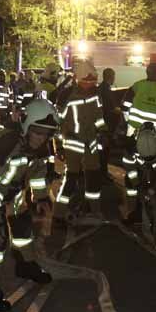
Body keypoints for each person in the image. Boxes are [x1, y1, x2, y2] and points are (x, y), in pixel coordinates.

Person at [0, 99, 60, 312]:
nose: (41, 138)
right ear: (26, 126)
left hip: (13, 191)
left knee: (23, 228)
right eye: (37, 132)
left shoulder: (41, 146)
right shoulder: (4, 145)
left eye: (46, 133)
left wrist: (41, 197)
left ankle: (26, 265)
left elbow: (37, 173)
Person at [53, 60, 106, 221]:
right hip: (73, 144)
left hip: (91, 143)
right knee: (71, 178)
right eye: (88, 81)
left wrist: (103, 132)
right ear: (79, 79)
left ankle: (93, 210)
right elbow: (57, 122)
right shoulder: (66, 96)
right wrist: (58, 146)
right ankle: (59, 213)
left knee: (93, 177)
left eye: (93, 81)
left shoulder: (95, 94)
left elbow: (98, 116)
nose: (92, 84)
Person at [120, 62, 156, 221]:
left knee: (132, 178)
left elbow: (124, 106)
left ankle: (133, 211)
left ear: (147, 72)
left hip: (135, 133)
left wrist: (129, 122)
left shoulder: (137, 86)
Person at [122, 122, 156, 220]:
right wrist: (137, 185)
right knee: (129, 182)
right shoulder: (130, 147)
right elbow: (130, 168)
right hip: (140, 169)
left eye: (152, 158)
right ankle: (133, 211)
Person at [98, 68, 120, 179]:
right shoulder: (106, 90)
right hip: (106, 124)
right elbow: (110, 108)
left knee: (102, 150)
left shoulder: (101, 88)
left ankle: (101, 172)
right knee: (105, 151)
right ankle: (103, 173)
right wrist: (119, 111)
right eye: (113, 76)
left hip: (102, 124)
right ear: (110, 76)